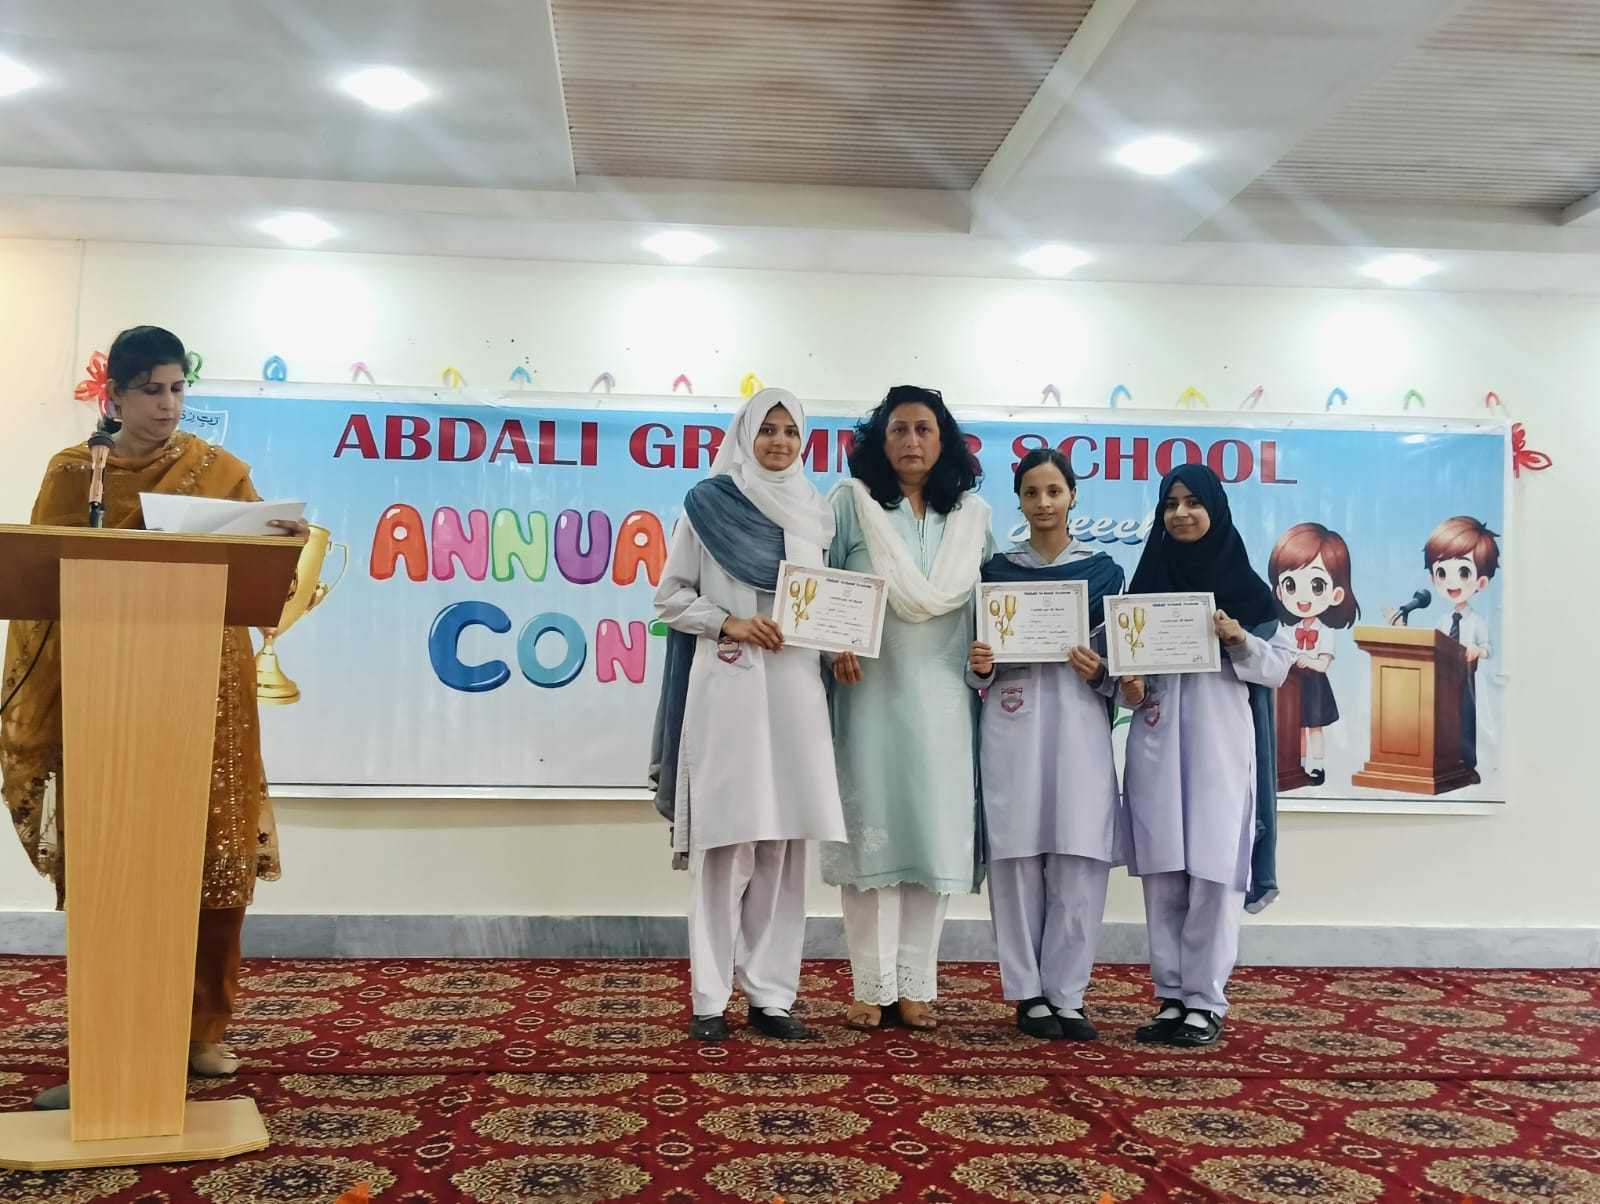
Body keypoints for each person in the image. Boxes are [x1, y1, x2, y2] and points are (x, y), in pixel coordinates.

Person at [0, 326, 306, 1109]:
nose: (167, 407)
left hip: (210, 689)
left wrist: (287, 545)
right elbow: (40, 587)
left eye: (177, 390)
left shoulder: (220, 471)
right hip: (108, 690)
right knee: (117, 861)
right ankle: (116, 1035)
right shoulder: (77, 474)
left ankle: (203, 1028)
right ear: (115, 396)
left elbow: (267, 575)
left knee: (211, 853)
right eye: (151, 391)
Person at [650, 388, 846, 1042]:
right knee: (725, 845)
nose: (780, 441)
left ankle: (771, 998)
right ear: (745, 435)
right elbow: (670, 597)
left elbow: (826, 603)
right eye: (767, 429)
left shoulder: (815, 511)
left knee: (782, 848)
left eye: (791, 431)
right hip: (730, 686)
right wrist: (729, 621)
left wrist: (844, 640)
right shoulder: (710, 503)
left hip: (796, 691)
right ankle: (709, 999)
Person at [823, 385, 994, 1031]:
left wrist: (990, 658)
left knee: (932, 843)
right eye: (899, 429)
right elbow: (818, 586)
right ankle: (871, 985)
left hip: (946, 702)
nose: (912, 441)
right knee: (872, 849)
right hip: (868, 694)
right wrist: (833, 643)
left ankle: (917, 986)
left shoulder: (972, 517)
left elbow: (991, 608)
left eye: (925, 428)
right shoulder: (851, 503)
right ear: (880, 439)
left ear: (944, 440)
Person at [1119, 464, 1293, 1048]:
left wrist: (1240, 639)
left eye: (1193, 502)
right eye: (1170, 503)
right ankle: (1171, 995)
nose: (1181, 513)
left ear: (1215, 510)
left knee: (1216, 873)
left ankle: (1205, 1000)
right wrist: (1127, 685)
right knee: (1165, 872)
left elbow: (1277, 668)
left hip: (1221, 749)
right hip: (1156, 742)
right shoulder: (1144, 590)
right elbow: (1119, 675)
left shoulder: (1250, 595)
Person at [967, 449, 1134, 1041]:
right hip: (1012, 722)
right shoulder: (993, 574)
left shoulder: (1106, 573)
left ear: (1072, 496)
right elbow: (973, 666)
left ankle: (1068, 994)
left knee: (1079, 856)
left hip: (1079, 724)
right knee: (1014, 856)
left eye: (1054, 491)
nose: (1043, 503)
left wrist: (1101, 671)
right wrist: (981, 665)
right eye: (1032, 492)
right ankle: (1027, 993)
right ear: (1018, 500)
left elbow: (1122, 665)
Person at [1268, 523, 1360, 787]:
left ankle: (1317, 767)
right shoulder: (1288, 629)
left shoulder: (1324, 631)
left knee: (1314, 727)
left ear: (1336, 594)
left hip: (1314, 685)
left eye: (1317, 585)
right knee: (1295, 727)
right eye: (1291, 584)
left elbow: (1324, 664)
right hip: (1290, 685)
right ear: (1280, 592)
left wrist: (1310, 661)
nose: (1303, 597)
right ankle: (1295, 765)